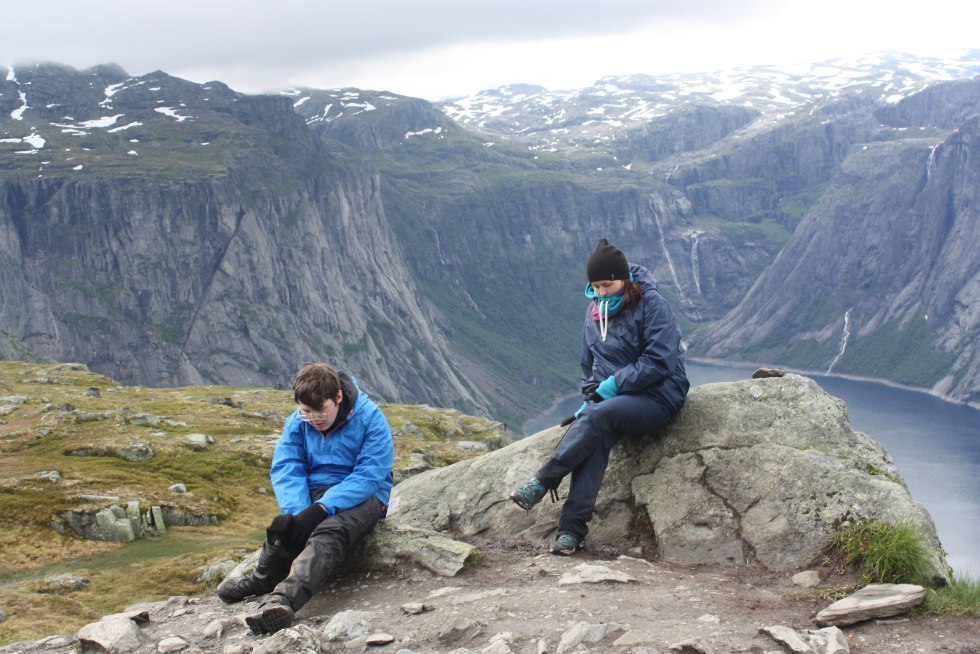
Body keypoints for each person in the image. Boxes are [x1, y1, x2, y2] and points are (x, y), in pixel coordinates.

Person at [510, 238, 689, 555]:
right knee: (593, 437)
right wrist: (591, 393)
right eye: (596, 286)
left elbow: (661, 361)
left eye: (608, 284)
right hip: (614, 402)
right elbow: (587, 364)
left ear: (623, 279)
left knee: (598, 416)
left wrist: (611, 387)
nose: (602, 292)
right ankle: (571, 532)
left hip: (658, 396)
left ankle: (544, 479)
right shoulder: (594, 312)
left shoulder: (651, 304)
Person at [216, 362, 394, 635]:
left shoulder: (370, 418)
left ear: (337, 397)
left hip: (366, 495)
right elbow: (287, 467)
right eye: (306, 411)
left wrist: (322, 508)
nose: (313, 418)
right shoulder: (297, 422)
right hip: (315, 490)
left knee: (330, 532)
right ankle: (263, 580)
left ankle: (282, 601)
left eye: (320, 411)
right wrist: (299, 513)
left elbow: (369, 476)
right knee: (284, 527)